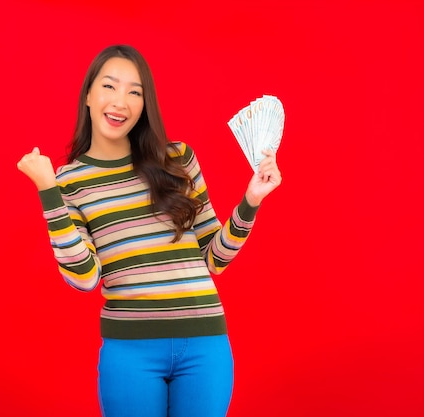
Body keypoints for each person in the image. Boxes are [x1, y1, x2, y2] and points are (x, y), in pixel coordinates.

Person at [16, 44, 282, 417]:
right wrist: (48, 192)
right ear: (89, 94)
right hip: (130, 351)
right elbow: (85, 278)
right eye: (109, 86)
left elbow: (214, 259)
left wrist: (251, 200)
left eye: (134, 91)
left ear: (145, 104)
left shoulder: (178, 159)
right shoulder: (68, 181)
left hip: (205, 345)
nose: (120, 101)